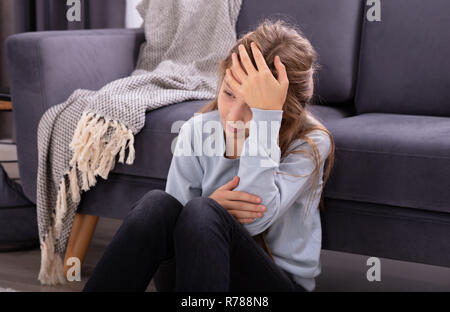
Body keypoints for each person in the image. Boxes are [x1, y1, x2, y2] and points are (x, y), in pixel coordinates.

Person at [83, 18, 335, 292]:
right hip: (196, 278)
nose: (233, 116)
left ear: (281, 110)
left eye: (254, 106)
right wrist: (210, 207)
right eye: (228, 93)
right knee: (159, 205)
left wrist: (266, 121)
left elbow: (256, 218)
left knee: (202, 211)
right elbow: (171, 229)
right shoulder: (198, 130)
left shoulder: (310, 144)